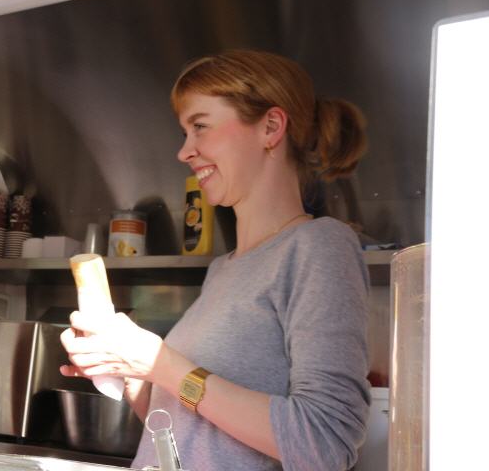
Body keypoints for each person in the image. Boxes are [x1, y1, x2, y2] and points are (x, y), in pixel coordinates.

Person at [61, 50, 370, 471]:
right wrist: (126, 368)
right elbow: (188, 425)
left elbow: (324, 442)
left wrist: (161, 364)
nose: (184, 152)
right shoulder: (223, 270)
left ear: (271, 127)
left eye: (200, 127)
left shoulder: (320, 247)